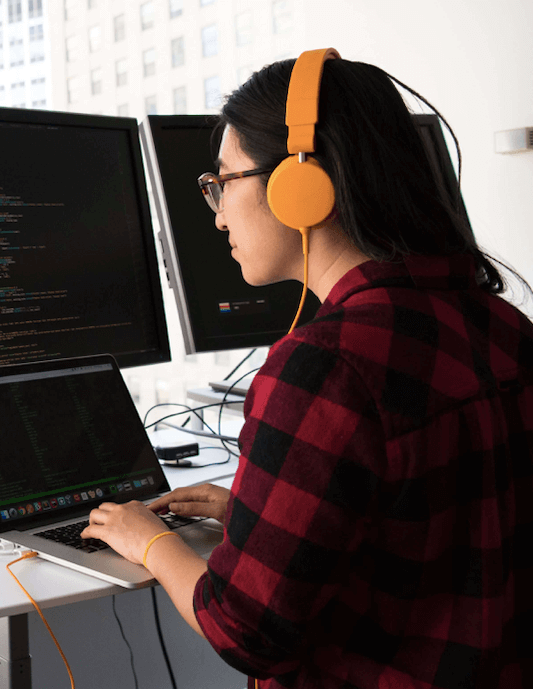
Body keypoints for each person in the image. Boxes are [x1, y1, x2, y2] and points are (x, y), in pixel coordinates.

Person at [81, 49, 533, 688]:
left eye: (224, 181)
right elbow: (431, 539)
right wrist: (253, 516)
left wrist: (149, 540)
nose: (216, 215)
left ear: (301, 185)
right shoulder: (505, 325)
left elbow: (244, 630)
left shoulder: (325, 369)